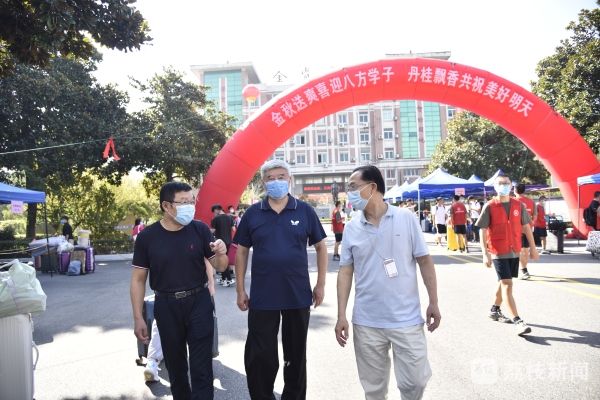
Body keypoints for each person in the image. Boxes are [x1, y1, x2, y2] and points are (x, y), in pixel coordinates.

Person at [334, 165, 440, 400]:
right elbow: (345, 273)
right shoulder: (351, 228)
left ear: (372, 187)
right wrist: (341, 315)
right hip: (367, 321)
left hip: (406, 318)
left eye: (353, 187)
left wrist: (433, 302)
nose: (349, 193)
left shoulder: (406, 218)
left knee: (415, 382)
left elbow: (424, 261)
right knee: (373, 389)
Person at [234, 160, 328, 400]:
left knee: (295, 355)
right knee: (260, 354)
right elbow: (242, 252)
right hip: (263, 296)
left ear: (289, 180)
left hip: (297, 294)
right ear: (263, 183)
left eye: (281, 177)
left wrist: (320, 285)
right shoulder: (253, 213)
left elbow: (321, 247)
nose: (276, 181)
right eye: (271, 178)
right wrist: (240, 290)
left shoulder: (304, 210)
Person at [130, 181, 228, 399]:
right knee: (176, 367)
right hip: (166, 305)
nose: (190, 207)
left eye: (191, 201)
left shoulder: (200, 229)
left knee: (202, 367)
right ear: (166, 205)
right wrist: (138, 318)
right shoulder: (147, 237)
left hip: (199, 301)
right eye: (183, 202)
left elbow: (221, 267)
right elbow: (138, 280)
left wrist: (222, 253)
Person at [475, 174, 538, 336]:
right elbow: (482, 230)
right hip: (498, 251)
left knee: (503, 281)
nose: (503, 186)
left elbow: (526, 226)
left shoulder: (518, 205)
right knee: (507, 284)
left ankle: (494, 310)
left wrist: (533, 248)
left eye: (506, 183)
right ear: (495, 187)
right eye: (500, 183)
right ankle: (518, 321)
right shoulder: (489, 206)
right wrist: (485, 254)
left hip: (514, 249)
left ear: (511, 186)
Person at [144, 259, 216, 382]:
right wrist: (211, 284)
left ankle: (152, 361)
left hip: (169, 293)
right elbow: (206, 259)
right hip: (193, 293)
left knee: (162, 326)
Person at [514, 184, 537, 280]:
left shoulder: (513, 201)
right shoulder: (531, 201)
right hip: (528, 229)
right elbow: (534, 217)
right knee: (525, 250)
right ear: (524, 191)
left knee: (519, 251)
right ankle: (524, 269)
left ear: (514, 190)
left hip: (517, 229)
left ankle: (523, 270)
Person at [211, 204, 236, 287]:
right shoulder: (229, 217)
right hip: (229, 240)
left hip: (220, 241)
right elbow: (233, 229)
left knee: (222, 260)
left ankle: (228, 279)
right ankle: (223, 278)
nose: (214, 213)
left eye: (214, 211)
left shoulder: (215, 218)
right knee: (225, 258)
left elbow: (213, 230)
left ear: (216, 209)